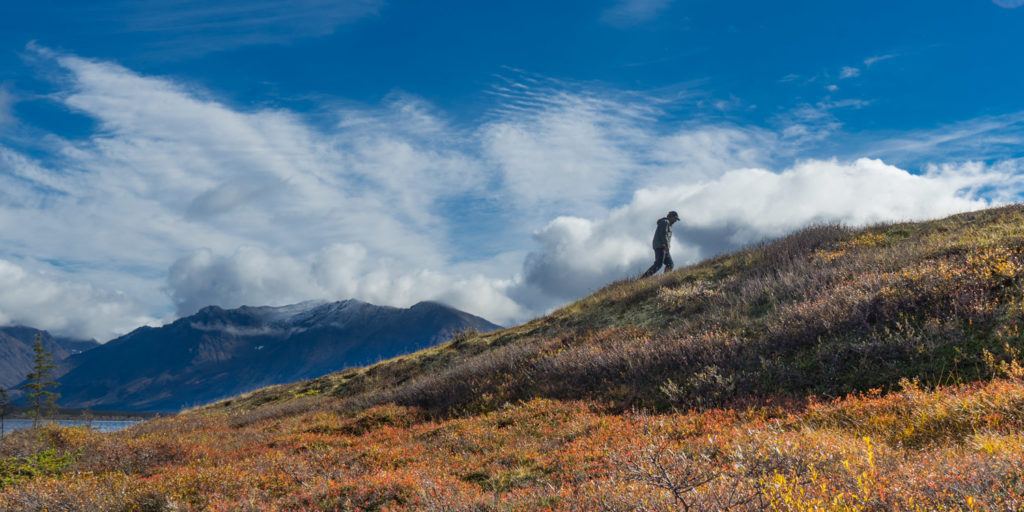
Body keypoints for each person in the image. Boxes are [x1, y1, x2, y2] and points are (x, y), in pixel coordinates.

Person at [642, 211, 680, 277]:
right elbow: (663, 234)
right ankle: (643, 278)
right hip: (661, 246)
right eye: (675, 218)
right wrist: (666, 245)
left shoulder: (668, 224)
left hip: (663, 247)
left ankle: (665, 278)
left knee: (670, 264)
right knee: (658, 264)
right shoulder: (665, 222)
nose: (675, 221)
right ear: (671, 217)